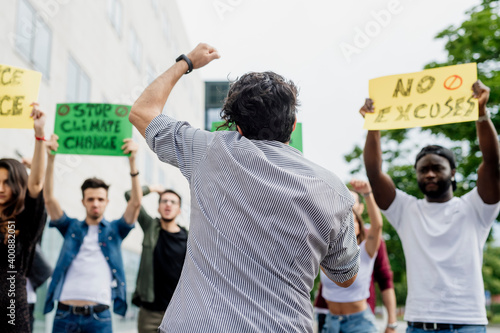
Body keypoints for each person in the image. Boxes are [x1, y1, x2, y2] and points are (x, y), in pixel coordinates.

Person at [129, 43, 360, 332]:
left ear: (237, 126)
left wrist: (186, 62)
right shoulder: (332, 190)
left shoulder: (208, 150)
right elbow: (346, 276)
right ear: (292, 125)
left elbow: (142, 111)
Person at [361, 80, 500, 332]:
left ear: (453, 172)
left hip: (467, 323)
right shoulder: (406, 210)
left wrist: (481, 114)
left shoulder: (475, 207)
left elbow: (492, 164)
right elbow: (374, 171)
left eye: (437, 167)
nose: (430, 174)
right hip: (418, 325)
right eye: (423, 169)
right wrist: (373, 126)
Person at [43, 135, 142, 333]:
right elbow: (49, 199)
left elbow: (136, 203)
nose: (95, 203)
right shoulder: (71, 228)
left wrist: (132, 162)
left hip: (99, 317)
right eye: (90, 199)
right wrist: (51, 158)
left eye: (99, 199)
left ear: (106, 202)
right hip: (64, 314)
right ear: (83, 202)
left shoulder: (115, 231)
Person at [314, 187, 397, 332]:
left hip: (359, 323)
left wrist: (367, 194)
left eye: (351, 222)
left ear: (359, 226)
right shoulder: (326, 252)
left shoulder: (366, 250)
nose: (346, 226)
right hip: (331, 321)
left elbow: (377, 226)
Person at [0, 103, 47, 333]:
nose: (1, 188)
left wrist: (39, 136)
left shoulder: (24, 221)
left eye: (6, 182)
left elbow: (37, 184)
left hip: (11, 313)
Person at [125, 185, 188, 333]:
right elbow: (129, 195)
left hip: (178, 312)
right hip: (149, 313)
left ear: (179, 210)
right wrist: (152, 189)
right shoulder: (150, 226)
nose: (168, 204)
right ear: (158, 208)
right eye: (164, 201)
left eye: (173, 202)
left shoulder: (188, 238)